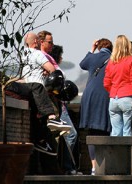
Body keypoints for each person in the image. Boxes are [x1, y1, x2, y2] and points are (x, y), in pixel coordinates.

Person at [79, 38, 112, 175]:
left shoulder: (93, 57)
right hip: (105, 94)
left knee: (92, 131)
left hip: (89, 95)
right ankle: (104, 165)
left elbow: (82, 64)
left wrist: (91, 49)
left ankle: (94, 167)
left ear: (99, 47)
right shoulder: (113, 59)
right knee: (105, 129)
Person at [50, 44, 82, 175]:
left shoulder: (50, 65)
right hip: (59, 105)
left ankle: (64, 165)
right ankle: (67, 166)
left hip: (59, 104)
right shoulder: (52, 67)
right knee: (71, 134)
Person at [104, 35, 132, 136]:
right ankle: (126, 152)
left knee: (116, 132)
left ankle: (115, 152)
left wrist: (113, 92)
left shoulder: (111, 62)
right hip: (127, 97)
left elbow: (106, 83)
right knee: (128, 131)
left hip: (113, 98)